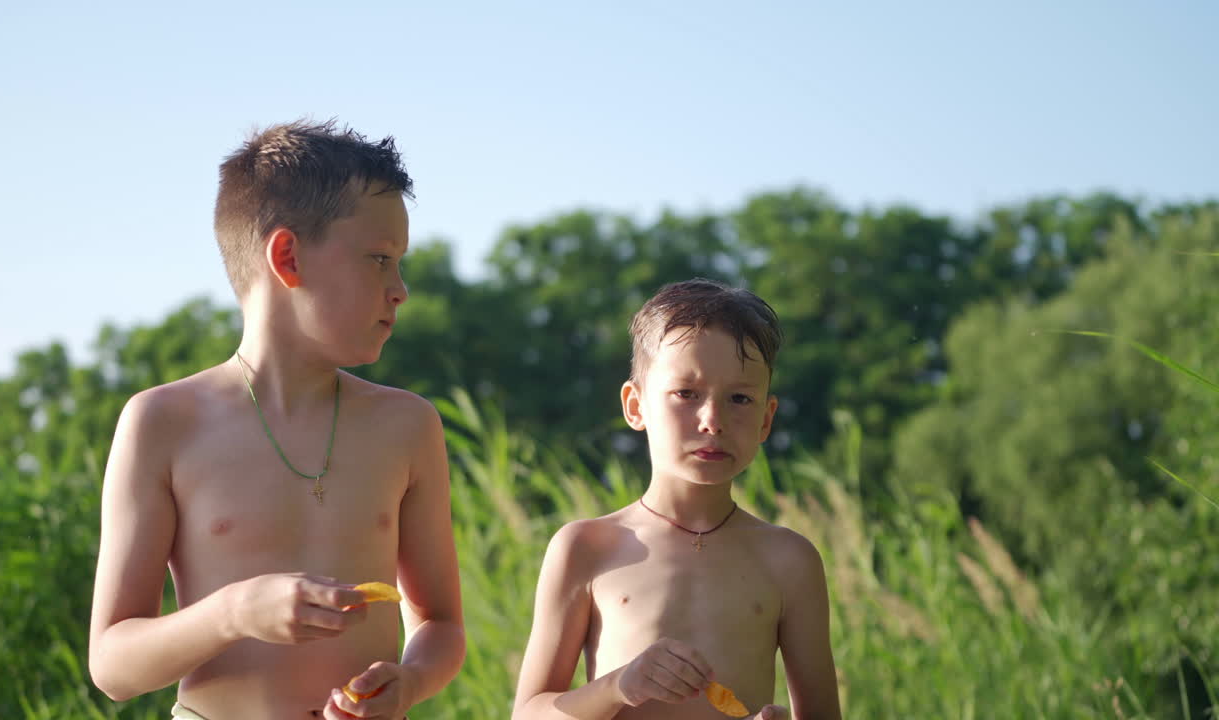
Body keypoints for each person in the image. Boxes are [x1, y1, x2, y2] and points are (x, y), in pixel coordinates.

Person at [88, 119, 464, 720]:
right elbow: (112, 667)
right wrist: (234, 611)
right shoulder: (163, 422)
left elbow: (441, 623)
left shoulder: (408, 426)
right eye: (379, 259)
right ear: (288, 256)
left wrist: (411, 682)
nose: (401, 289)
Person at [512, 278, 841, 720]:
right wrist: (616, 687)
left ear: (766, 420)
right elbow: (528, 714)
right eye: (686, 394)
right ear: (636, 405)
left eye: (740, 398)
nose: (713, 420)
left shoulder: (789, 560)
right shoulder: (586, 548)